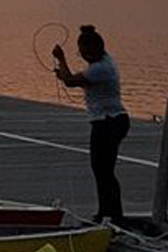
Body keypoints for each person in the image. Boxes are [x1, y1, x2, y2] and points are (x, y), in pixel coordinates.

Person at [53, 24, 130, 226]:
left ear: (92, 50)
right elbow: (73, 78)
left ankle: (115, 215)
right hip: (112, 120)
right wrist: (63, 72)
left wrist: (61, 59)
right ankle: (105, 212)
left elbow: (70, 81)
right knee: (101, 169)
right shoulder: (106, 61)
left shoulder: (100, 68)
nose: (82, 55)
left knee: (104, 170)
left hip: (108, 122)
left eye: (83, 51)